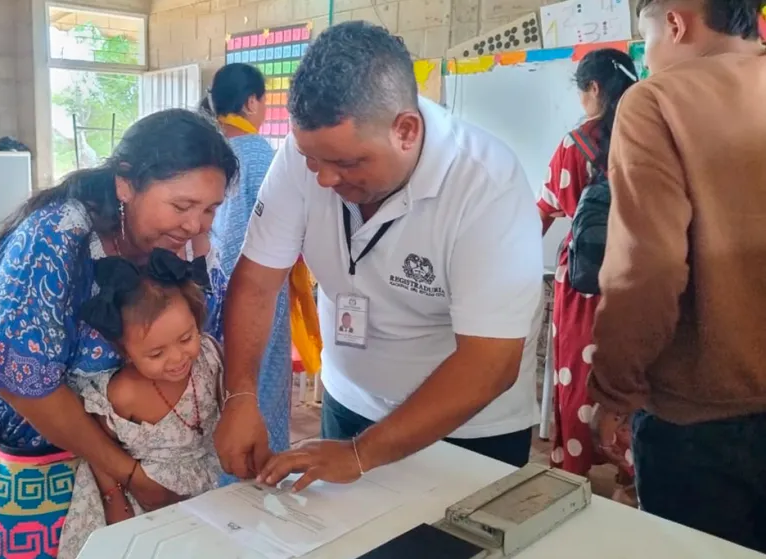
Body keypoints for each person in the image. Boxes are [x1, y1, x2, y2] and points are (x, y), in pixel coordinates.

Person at [216, 21, 543, 491]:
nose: (324, 179)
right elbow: (256, 281)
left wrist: (361, 454)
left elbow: (490, 362)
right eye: (313, 160)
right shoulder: (302, 154)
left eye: (347, 164)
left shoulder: (485, 183)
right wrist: (240, 394)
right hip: (348, 402)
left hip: (466, 431)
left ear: (405, 130)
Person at [0, 109, 238, 559]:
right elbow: (24, 385)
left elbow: (204, 345)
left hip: (144, 468)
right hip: (42, 463)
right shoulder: (54, 239)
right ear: (125, 184)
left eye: (210, 208)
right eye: (181, 206)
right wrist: (129, 476)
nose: (195, 225)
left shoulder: (187, 245)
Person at [588, 0, 766, 552]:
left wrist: (614, 391)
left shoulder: (657, 100)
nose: (646, 58)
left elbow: (648, 266)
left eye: (645, 41)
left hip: (701, 419)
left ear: (675, 22)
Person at [57, 250, 225, 559]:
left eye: (186, 338)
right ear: (125, 351)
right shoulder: (124, 393)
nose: (177, 359)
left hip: (199, 492)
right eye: (156, 353)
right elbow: (98, 452)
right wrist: (114, 500)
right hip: (138, 502)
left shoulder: (209, 358)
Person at [537, 48, 638, 504]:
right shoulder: (648, 134)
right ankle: (631, 475)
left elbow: (546, 208)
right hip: (638, 272)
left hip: (582, 279)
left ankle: (573, 470)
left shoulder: (574, 144)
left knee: (578, 373)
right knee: (633, 371)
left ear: (593, 88)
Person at [202, 62, 293, 454]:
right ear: (252, 101)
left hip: (208, 297)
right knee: (259, 388)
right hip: (258, 292)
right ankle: (255, 476)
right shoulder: (260, 155)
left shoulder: (210, 151)